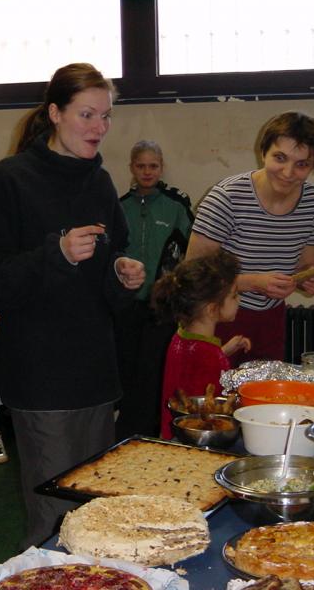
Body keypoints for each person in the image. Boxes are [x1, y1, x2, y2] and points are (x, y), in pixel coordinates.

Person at [0, 63, 145, 549]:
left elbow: (108, 271)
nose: (99, 127)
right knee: (54, 517)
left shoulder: (100, 182)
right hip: (41, 375)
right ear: (54, 113)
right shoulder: (9, 180)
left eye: (105, 116)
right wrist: (57, 253)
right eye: (86, 114)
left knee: (97, 508)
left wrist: (122, 275)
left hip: (96, 372)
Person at [186, 111, 314, 367]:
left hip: (271, 319)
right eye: (280, 158)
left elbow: (306, 265)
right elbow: (192, 275)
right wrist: (253, 282)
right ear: (263, 152)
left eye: (302, 164)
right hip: (215, 315)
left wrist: (307, 280)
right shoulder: (227, 197)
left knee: (266, 390)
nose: (288, 172)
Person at [113, 140, 193, 440]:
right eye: (141, 166)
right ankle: (126, 431)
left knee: (154, 369)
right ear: (132, 168)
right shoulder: (120, 206)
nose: (147, 172)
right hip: (127, 304)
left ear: (161, 168)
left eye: (153, 166)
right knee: (127, 367)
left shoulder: (176, 206)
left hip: (163, 307)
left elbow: (193, 252)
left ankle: (153, 431)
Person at [151, 250, 251, 438]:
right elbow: (213, 406)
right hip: (194, 439)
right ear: (212, 309)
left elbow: (193, 371)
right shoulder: (208, 355)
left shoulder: (181, 336)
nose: (239, 300)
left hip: (171, 433)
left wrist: (223, 351)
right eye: (234, 296)